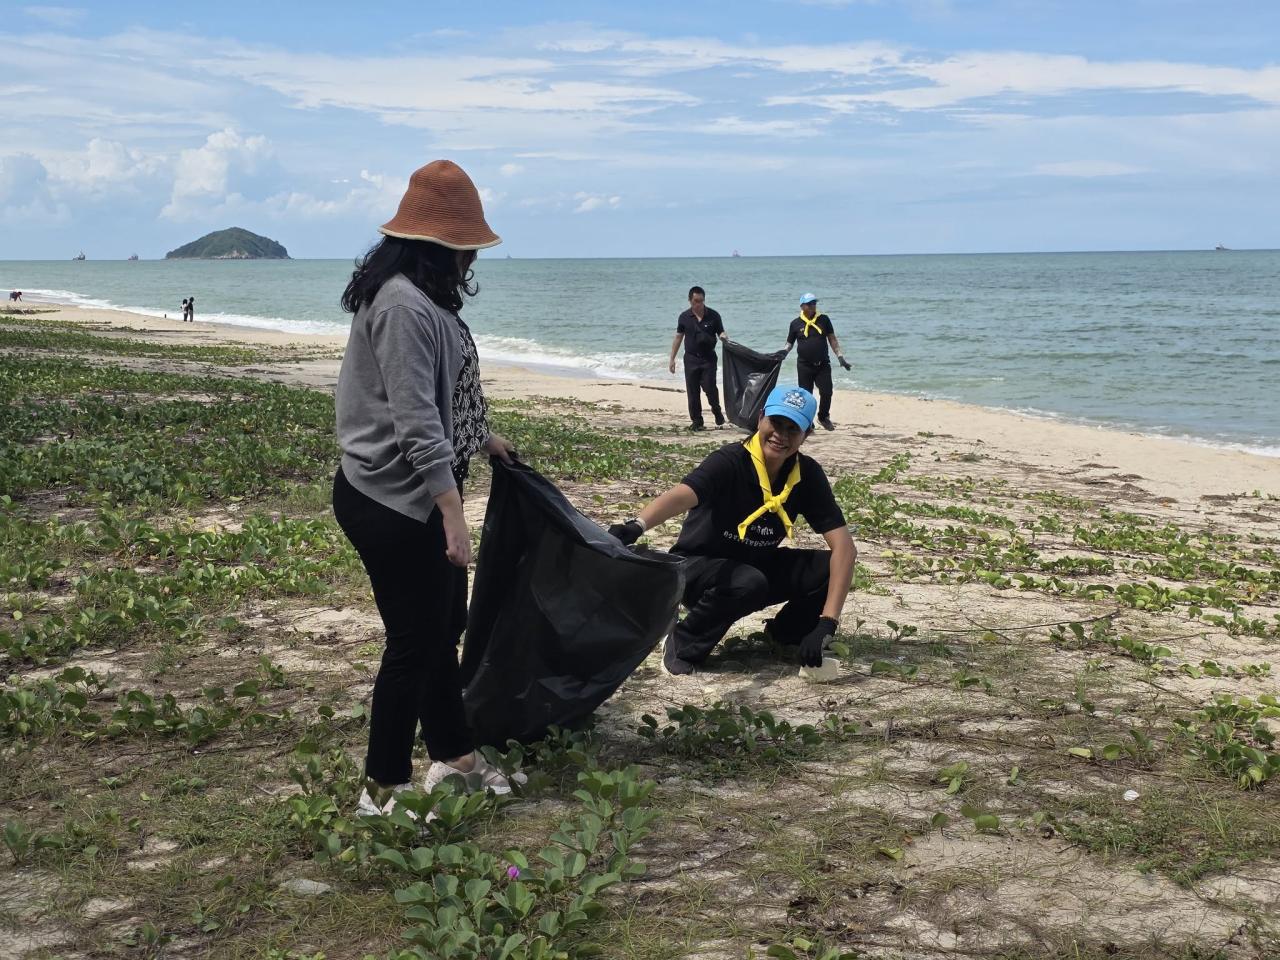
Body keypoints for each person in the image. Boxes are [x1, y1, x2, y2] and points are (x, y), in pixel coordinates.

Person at [332, 159, 521, 816]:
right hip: (391, 497)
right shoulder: (404, 307)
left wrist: (481, 439)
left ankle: (456, 757)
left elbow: (441, 399)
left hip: (412, 491)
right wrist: (452, 513)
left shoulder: (420, 297)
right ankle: (382, 793)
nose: (470, 259)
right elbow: (414, 423)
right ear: (439, 245)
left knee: (443, 626)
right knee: (414, 642)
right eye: (464, 246)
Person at [609, 385, 856, 675]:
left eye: (793, 429)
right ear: (761, 417)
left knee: (830, 566)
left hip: (755, 567)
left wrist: (827, 623)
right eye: (776, 423)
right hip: (698, 570)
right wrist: (637, 525)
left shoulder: (807, 474)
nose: (781, 435)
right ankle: (682, 642)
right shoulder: (730, 461)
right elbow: (682, 494)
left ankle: (785, 636)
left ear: (806, 434)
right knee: (748, 582)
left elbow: (845, 548)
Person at [786, 293, 850, 431]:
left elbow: (832, 339)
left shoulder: (824, 320)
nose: (813, 306)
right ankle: (807, 422)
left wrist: (840, 357)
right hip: (804, 365)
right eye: (810, 304)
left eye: (814, 303)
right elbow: (789, 344)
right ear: (802, 306)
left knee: (827, 391)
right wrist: (781, 354)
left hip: (822, 365)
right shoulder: (795, 324)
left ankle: (823, 417)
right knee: (805, 396)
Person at [669, 285, 729, 431]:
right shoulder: (684, 317)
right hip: (690, 359)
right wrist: (672, 359)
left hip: (708, 359)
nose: (699, 304)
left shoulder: (714, 315)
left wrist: (723, 336)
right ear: (690, 301)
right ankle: (697, 421)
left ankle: (716, 410)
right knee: (693, 391)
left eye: (701, 301)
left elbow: (721, 332)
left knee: (710, 387)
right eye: (696, 301)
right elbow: (678, 337)